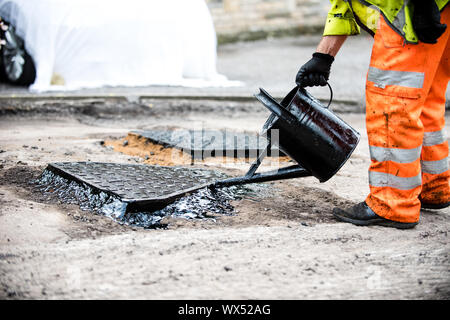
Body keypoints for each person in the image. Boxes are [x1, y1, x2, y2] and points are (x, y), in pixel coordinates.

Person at [296, 0, 450, 229]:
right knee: (423, 100)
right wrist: (324, 55)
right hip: (435, 9)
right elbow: (345, 2)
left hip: (409, 11)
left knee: (392, 105)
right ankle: (433, 185)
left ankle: (392, 203)